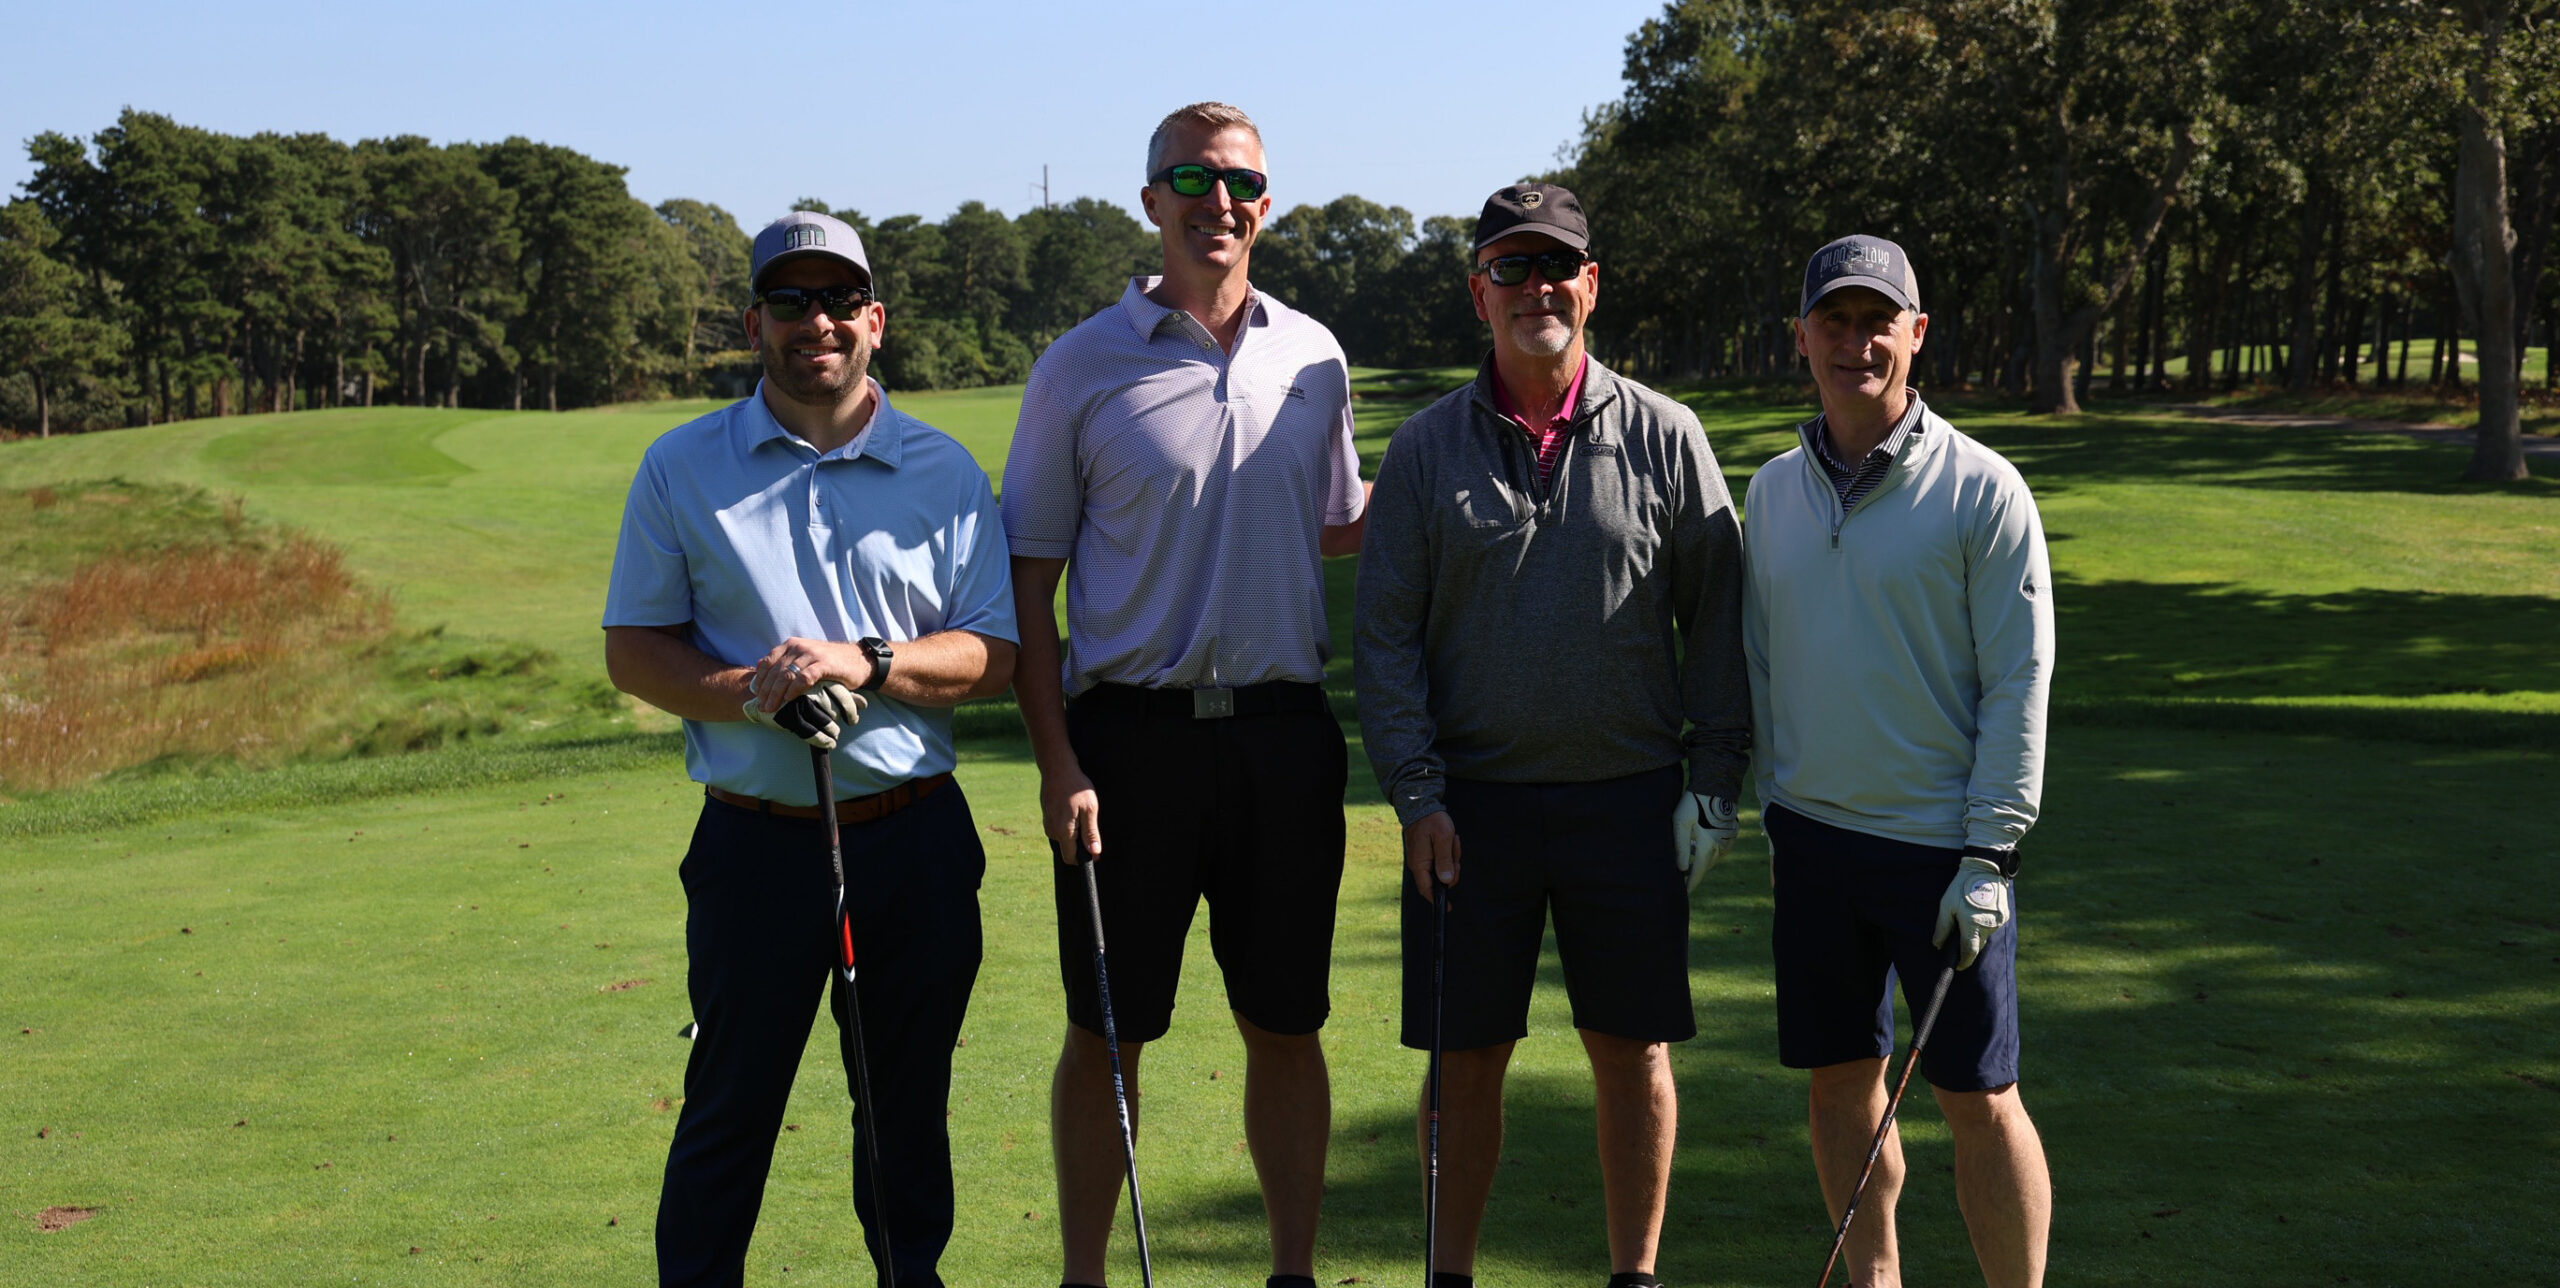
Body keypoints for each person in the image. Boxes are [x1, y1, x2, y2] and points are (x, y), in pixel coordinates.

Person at [603, 210, 1019, 1288]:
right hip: (756, 848)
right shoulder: (682, 465)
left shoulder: (943, 468)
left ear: (875, 319)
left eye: (839, 301)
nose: (816, 322)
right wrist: (754, 691)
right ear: (755, 322)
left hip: (913, 841)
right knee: (731, 1107)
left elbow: (994, 654)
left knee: (902, 1112)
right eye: (790, 302)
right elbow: (635, 650)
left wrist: (862, 663)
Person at [1354, 182, 1751, 1288]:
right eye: (1510, 268)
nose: (1536, 288)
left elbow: (1716, 619)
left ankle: (1635, 1275)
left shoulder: (1666, 434)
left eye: (1556, 267)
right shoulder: (1430, 446)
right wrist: (1418, 797)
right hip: (1467, 811)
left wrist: (1714, 779)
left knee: (1632, 1053)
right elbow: (1384, 644)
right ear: (1477, 289)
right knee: (1464, 1059)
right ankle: (1450, 1274)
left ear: (1591, 284)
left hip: (1628, 798)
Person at [1000, 101, 1368, 1288]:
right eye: (1192, 180)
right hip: (1128, 746)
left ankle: (1293, 1272)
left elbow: (1338, 525)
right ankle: (1085, 1276)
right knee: (1108, 1032)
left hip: (1281, 734)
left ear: (1267, 203)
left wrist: (1453, 465)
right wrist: (1058, 764)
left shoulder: (1313, 355)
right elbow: (1029, 590)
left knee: (1287, 1022)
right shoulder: (1079, 366)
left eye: (1242, 184)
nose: (1220, 203)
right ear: (1150, 199)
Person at [1743, 234, 2055, 1288]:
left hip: (1939, 853)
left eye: (1879, 320)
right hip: (1815, 843)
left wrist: (1991, 852)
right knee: (1839, 1084)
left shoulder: (1983, 491)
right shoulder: (1774, 491)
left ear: (1916, 335)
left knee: (1977, 1095)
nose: (1856, 341)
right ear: (1801, 338)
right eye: (1834, 320)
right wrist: (1763, 805)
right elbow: (1762, 661)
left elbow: (2019, 679)